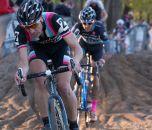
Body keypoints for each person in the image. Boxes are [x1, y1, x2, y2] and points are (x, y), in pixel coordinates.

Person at [14, 0, 83, 130]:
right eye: (26, 27)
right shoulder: (20, 31)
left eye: (33, 25)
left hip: (59, 49)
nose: (30, 30)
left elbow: (76, 47)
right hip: (39, 51)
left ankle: (74, 124)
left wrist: (76, 60)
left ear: (41, 18)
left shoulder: (54, 19)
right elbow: (23, 62)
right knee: (39, 81)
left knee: (63, 86)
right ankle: (47, 123)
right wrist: (21, 72)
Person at [72, 7, 107, 122]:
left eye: (89, 23)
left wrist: (101, 59)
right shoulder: (78, 26)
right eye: (84, 23)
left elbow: (106, 44)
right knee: (76, 63)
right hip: (83, 45)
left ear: (94, 21)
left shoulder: (99, 27)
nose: (86, 26)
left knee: (95, 76)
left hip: (97, 49)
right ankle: (74, 91)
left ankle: (93, 109)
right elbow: (70, 40)